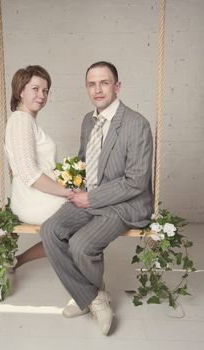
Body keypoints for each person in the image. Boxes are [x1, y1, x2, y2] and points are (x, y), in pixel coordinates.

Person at [40, 61, 153, 335]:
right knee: (50, 230)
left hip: (123, 203)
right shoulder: (87, 120)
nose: (98, 89)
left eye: (104, 82)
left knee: (81, 244)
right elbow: (84, 160)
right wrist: (73, 185)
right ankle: (92, 297)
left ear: (117, 86)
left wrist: (92, 198)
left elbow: (136, 180)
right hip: (89, 196)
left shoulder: (136, 123)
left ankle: (86, 298)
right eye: (92, 84)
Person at [5, 65, 70, 269]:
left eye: (45, 90)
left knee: (85, 216)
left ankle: (17, 261)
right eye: (35, 89)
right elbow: (30, 174)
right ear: (20, 91)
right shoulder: (21, 121)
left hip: (37, 195)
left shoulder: (27, 121)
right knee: (89, 216)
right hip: (34, 199)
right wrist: (67, 192)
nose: (41, 95)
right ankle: (87, 282)